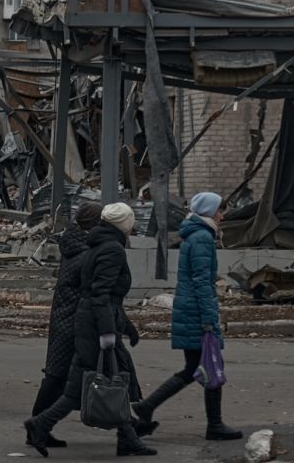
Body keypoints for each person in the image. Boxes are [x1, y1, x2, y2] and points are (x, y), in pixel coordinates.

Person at [24, 202, 155, 457]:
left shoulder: (88, 248)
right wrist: (109, 328)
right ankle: (39, 424)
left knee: (102, 376)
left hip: (84, 320)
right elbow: (100, 294)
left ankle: (128, 433)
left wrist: (123, 324)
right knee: (87, 380)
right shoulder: (98, 251)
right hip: (85, 323)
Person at [131, 192, 241, 441]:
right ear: (209, 212)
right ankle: (214, 425)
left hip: (189, 308)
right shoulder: (202, 237)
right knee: (209, 367)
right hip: (196, 311)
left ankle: (148, 406)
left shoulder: (195, 234)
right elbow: (203, 281)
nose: (222, 216)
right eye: (219, 211)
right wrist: (209, 319)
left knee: (196, 367)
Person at [28, 201, 103, 445]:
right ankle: (36, 426)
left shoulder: (74, 246)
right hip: (73, 319)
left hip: (64, 316)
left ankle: (38, 426)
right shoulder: (85, 253)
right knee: (58, 378)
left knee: (58, 376)